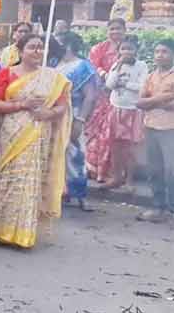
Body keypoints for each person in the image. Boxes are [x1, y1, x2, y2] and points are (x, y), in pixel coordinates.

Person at [0, 33, 72, 248]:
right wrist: (22, 105)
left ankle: (22, 234)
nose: (37, 51)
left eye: (40, 47)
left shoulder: (51, 78)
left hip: (37, 134)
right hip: (11, 134)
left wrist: (49, 113)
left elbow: (62, 106)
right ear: (20, 51)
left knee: (29, 181)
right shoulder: (6, 73)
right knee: (3, 179)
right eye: (32, 47)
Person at [51, 32, 99, 211]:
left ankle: (80, 195)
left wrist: (80, 120)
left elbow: (90, 96)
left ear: (68, 45)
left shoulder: (83, 66)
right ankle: (59, 193)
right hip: (53, 114)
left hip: (73, 113)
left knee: (75, 155)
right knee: (54, 154)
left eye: (59, 42)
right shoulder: (53, 63)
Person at [101, 36, 147, 190]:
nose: (126, 52)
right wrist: (118, 67)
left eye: (130, 49)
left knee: (131, 147)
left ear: (136, 50)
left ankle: (130, 180)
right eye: (123, 49)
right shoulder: (116, 65)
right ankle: (116, 177)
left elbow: (142, 87)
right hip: (116, 109)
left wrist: (125, 83)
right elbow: (109, 84)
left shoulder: (141, 66)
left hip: (133, 110)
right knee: (115, 145)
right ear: (119, 51)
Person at [136, 40, 174, 223]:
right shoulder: (151, 76)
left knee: (172, 171)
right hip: (151, 126)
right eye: (157, 51)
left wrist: (151, 101)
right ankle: (158, 208)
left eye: (164, 51)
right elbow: (139, 103)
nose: (159, 55)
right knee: (154, 170)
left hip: (170, 129)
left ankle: (172, 210)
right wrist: (165, 97)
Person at [85, 18, 127, 182]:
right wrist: (105, 75)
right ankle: (94, 169)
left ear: (125, 30)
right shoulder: (99, 48)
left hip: (122, 97)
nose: (115, 32)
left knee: (116, 134)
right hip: (102, 96)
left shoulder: (128, 48)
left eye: (118, 29)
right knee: (98, 132)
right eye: (112, 29)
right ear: (107, 31)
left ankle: (113, 173)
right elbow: (92, 67)